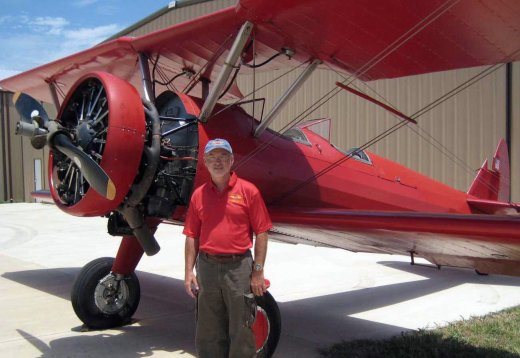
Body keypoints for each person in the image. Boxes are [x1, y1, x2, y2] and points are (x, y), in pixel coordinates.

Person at [183, 138, 272, 358]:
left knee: (242, 329)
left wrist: (258, 271)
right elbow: (192, 235)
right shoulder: (198, 195)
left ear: (232, 160)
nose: (218, 162)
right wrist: (188, 272)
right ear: (205, 162)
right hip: (207, 267)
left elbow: (262, 232)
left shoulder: (249, 191)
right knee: (208, 330)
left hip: (239, 267)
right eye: (212, 157)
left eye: (223, 156)